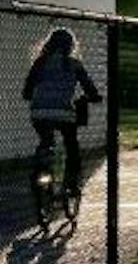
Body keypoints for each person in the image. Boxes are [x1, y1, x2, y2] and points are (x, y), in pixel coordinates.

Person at [23, 27, 101, 193]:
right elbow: (91, 91)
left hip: (39, 111)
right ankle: (72, 184)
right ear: (71, 46)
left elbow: (27, 92)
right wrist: (91, 98)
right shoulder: (74, 65)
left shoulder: (40, 63)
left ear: (48, 45)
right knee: (71, 144)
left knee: (46, 140)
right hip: (64, 113)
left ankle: (39, 171)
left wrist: (40, 95)